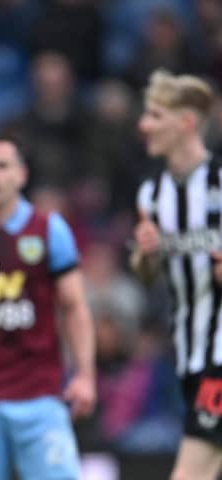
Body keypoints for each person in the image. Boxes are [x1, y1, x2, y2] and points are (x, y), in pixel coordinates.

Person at [0, 136, 96, 480]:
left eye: (2, 165)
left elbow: (74, 306)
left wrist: (84, 375)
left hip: (40, 394)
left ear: (21, 174)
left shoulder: (49, 229)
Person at [131, 69, 221, 480]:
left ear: (186, 121)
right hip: (190, 354)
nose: (143, 124)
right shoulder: (150, 194)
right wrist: (147, 255)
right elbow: (147, 275)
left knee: (189, 473)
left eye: (154, 115)